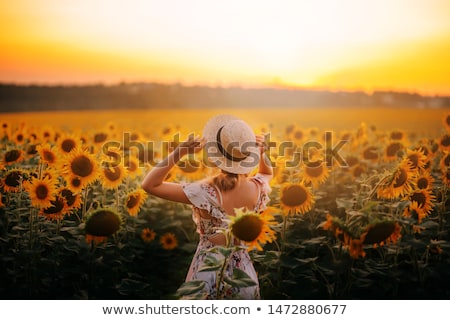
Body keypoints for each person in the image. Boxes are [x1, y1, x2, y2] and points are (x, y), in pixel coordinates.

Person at [141, 114, 273, 299]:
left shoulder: (204, 192)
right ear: (246, 156)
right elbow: (267, 172)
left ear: (216, 155)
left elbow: (150, 185)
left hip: (208, 273)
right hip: (243, 277)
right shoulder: (258, 188)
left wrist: (179, 152)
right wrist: (261, 153)